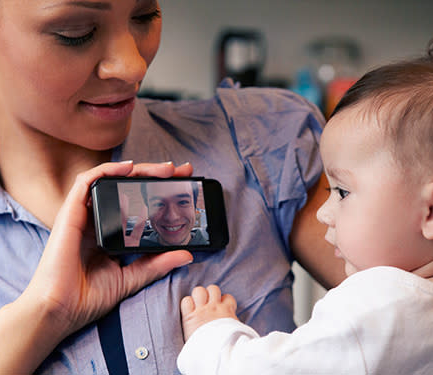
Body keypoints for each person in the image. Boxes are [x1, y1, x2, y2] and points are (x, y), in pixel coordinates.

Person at [0, 0, 345, 374]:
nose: (132, 66)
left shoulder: (263, 141)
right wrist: (43, 314)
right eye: (76, 32)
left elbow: (407, 320)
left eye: (145, 15)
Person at [177, 55, 433, 374]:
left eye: (342, 191)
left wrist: (212, 334)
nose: (324, 213)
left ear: (430, 212)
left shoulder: (381, 304)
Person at [139, 180, 208, 246]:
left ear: (194, 208)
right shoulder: (134, 250)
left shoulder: (217, 255)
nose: (172, 217)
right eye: (158, 204)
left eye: (182, 202)